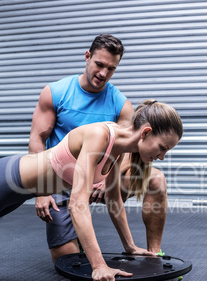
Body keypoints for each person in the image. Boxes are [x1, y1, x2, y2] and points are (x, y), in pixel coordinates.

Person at [0, 100, 183, 281]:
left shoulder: (119, 148)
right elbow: (77, 204)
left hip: (20, 193)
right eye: (162, 148)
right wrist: (99, 265)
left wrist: (131, 247)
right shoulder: (100, 136)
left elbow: (113, 200)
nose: (162, 157)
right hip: (8, 178)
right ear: (145, 132)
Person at [28, 34, 169, 263]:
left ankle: (155, 254)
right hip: (62, 180)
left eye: (111, 69)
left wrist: (105, 178)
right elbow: (37, 139)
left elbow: (128, 149)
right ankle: (79, 243)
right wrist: (41, 191)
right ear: (87, 57)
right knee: (68, 262)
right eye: (99, 64)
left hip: (103, 180)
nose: (103, 73)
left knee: (156, 179)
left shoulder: (120, 103)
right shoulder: (56, 92)